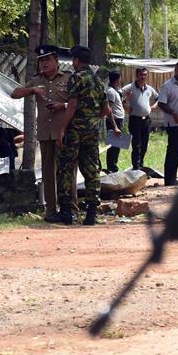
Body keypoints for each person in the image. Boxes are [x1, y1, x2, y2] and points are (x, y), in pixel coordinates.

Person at [11, 45, 77, 222]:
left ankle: (72, 209)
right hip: (45, 133)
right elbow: (14, 93)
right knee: (48, 174)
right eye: (41, 60)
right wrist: (32, 90)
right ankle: (51, 211)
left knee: (67, 172)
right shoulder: (36, 80)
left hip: (63, 131)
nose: (44, 63)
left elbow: (75, 102)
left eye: (47, 59)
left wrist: (61, 106)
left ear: (56, 60)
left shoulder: (68, 78)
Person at [56, 45, 107, 225]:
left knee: (66, 168)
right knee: (92, 169)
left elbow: (71, 106)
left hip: (75, 132)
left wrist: (62, 129)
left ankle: (66, 213)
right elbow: (106, 110)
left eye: (73, 60)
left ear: (76, 61)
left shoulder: (76, 78)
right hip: (92, 132)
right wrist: (92, 119)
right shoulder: (98, 81)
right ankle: (91, 213)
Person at [120, 67, 158, 170]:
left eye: (145, 75)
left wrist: (153, 107)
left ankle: (141, 164)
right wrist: (125, 105)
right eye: (141, 74)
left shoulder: (149, 89)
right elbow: (117, 96)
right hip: (135, 119)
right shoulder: (130, 87)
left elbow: (158, 98)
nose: (143, 77)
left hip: (146, 120)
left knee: (144, 144)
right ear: (136, 75)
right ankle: (136, 167)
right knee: (136, 144)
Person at [105, 70, 125, 173]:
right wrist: (115, 126)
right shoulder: (111, 92)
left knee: (117, 145)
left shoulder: (115, 90)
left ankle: (114, 165)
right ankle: (111, 167)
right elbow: (109, 110)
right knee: (113, 146)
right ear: (118, 80)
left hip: (118, 119)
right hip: (114, 120)